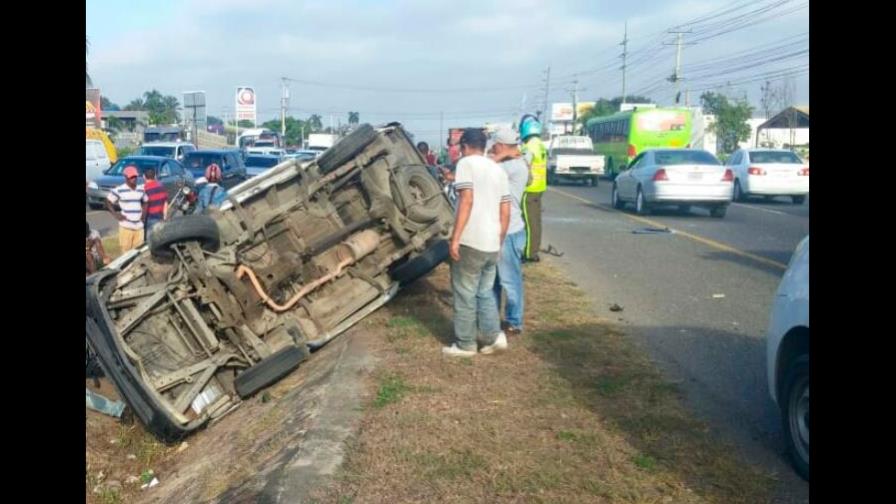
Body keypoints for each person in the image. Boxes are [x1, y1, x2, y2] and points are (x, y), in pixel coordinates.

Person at [444, 128, 511, 357]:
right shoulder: (498, 170)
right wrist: (499, 241)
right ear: (484, 146)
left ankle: (465, 344)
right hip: (492, 242)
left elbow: (466, 200)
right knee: (484, 292)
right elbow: (505, 211)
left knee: (464, 293)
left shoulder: (466, 164)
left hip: (471, 240)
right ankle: (493, 337)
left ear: (464, 146)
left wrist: (455, 238)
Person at [489, 127, 528, 336]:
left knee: (509, 280)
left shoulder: (512, 166)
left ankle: (514, 321)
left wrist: (500, 156)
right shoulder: (514, 162)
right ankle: (493, 318)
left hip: (508, 230)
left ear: (502, 145)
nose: (492, 149)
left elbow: (484, 168)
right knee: (494, 279)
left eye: (495, 146)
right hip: (504, 229)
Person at [519, 114, 548, 262]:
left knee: (529, 223)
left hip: (529, 189)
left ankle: (529, 253)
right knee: (536, 221)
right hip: (539, 188)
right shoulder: (540, 144)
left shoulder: (529, 147)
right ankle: (534, 250)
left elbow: (524, 166)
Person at [106, 165, 147, 253]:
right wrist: (116, 214)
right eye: (131, 177)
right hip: (126, 227)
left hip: (139, 227)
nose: (134, 179)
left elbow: (146, 201)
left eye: (135, 176)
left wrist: (143, 215)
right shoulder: (119, 190)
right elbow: (108, 202)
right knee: (126, 253)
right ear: (126, 177)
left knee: (138, 252)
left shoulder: (141, 189)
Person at [142, 167, 167, 235]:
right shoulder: (161, 187)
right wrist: (165, 216)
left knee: (147, 238)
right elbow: (165, 203)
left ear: (144, 177)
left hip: (148, 218)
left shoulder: (144, 188)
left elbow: (142, 206)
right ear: (155, 176)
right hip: (159, 217)